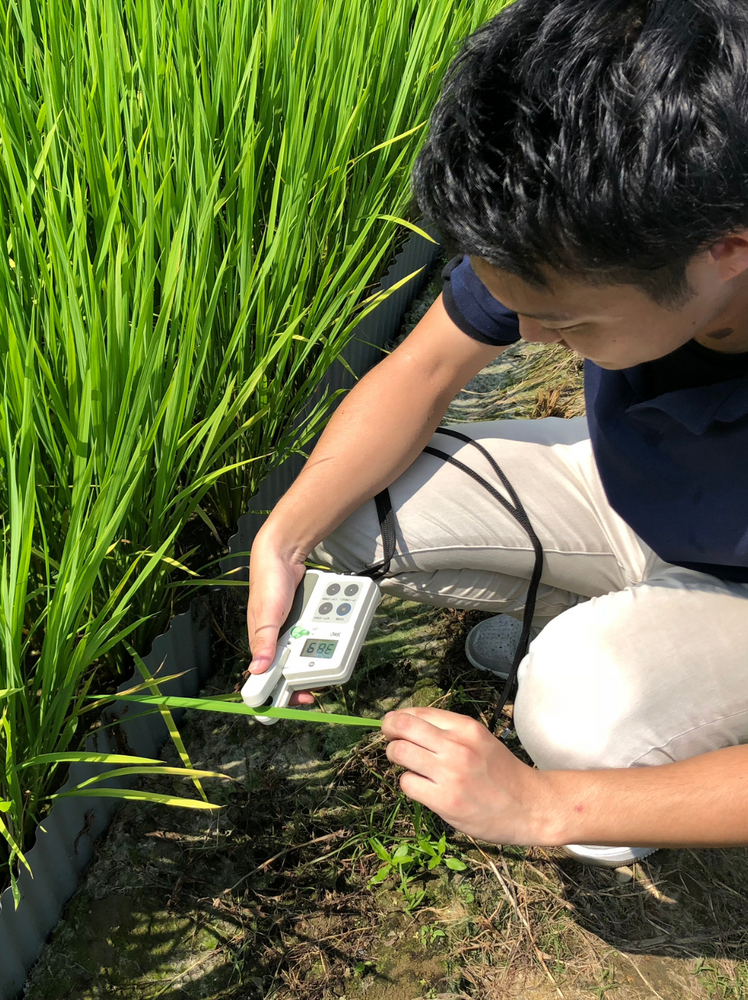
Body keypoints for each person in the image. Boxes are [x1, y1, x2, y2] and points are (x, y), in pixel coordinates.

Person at [244, 0, 748, 868]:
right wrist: (281, 539)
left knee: (580, 721)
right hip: (638, 490)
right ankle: (616, 619)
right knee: (351, 510)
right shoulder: (580, 224)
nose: (531, 335)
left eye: (569, 322)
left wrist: (545, 806)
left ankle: (656, 691)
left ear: (727, 251)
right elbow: (422, 371)